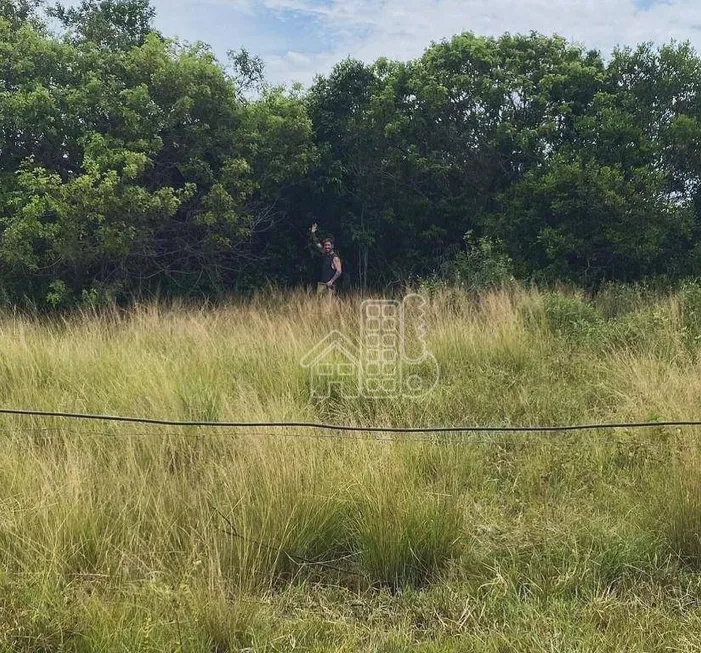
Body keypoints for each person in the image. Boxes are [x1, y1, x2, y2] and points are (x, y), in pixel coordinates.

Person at [310, 223, 342, 297]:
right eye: (325, 245)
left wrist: (331, 281)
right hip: (322, 284)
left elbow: (339, 271)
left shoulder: (335, 258)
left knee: (329, 305)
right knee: (319, 305)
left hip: (330, 286)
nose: (327, 247)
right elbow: (317, 243)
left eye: (328, 245)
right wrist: (313, 233)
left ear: (332, 246)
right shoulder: (324, 253)